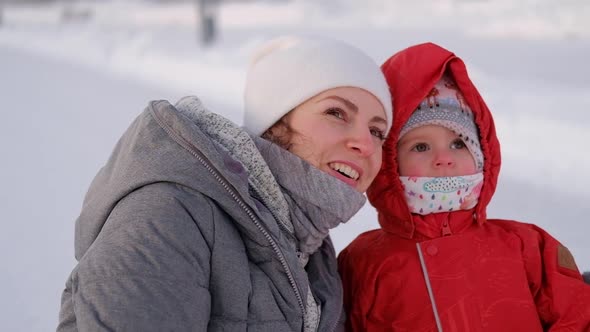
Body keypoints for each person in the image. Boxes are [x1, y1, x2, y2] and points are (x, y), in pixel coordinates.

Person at [57, 35, 393, 331]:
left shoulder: (313, 251)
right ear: (274, 122)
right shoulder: (169, 218)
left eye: (378, 131)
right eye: (336, 113)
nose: (365, 143)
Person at [338, 42, 590, 331]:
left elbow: (578, 316)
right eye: (420, 146)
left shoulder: (527, 246)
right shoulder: (363, 262)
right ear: (388, 162)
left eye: (459, 143)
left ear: (482, 153)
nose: (444, 159)